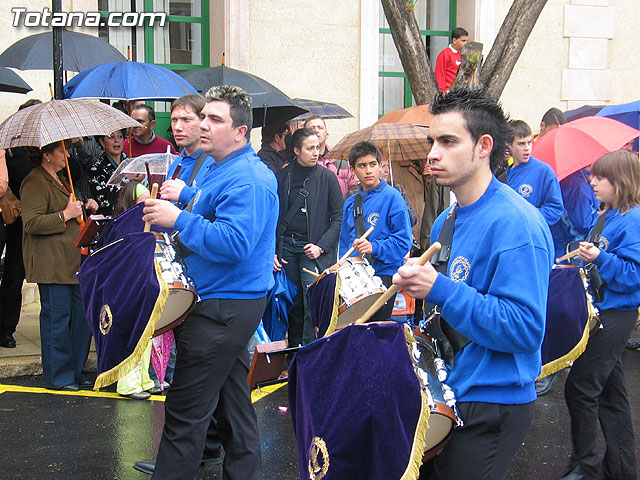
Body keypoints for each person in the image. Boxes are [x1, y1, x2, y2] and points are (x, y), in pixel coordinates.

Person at [393, 86, 553, 479]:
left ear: (483, 146)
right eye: (432, 141)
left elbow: (525, 329)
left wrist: (441, 289)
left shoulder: (517, 223)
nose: (432, 153)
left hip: (492, 401)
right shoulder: (447, 220)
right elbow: (442, 312)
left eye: (448, 141)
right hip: (449, 394)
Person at [139, 85, 276, 480]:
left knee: (184, 413)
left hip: (222, 307)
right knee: (234, 408)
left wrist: (177, 217)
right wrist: (187, 196)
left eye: (215, 119)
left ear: (241, 132)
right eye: (204, 117)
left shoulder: (250, 179)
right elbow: (214, 205)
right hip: (225, 304)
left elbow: (235, 243)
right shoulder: (223, 166)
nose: (203, 125)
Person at [560, 150, 640, 480]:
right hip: (601, 311)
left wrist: (601, 259)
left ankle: (585, 466)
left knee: (580, 388)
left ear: (620, 182)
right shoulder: (607, 215)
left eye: (600, 177)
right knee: (610, 394)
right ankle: (621, 469)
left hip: (616, 314)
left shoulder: (634, 219)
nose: (592, 181)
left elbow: (634, 275)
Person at [21, 142, 98, 390]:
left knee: (80, 319)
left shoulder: (62, 178)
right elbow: (31, 223)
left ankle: (75, 370)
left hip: (72, 260)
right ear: (46, 155)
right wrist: (64, 215)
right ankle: (59, 376)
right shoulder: (35, 181)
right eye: (61, 151)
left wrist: (83, 208)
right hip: (51, 264)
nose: (66, 155)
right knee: (57, 318)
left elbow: (70, 210)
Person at [274, 128, 343, 347]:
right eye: (310, 148)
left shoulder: (327, 178)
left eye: (318, 148)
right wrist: (273, 250)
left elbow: (339, 218)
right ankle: (293, 351)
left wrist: (321, 246)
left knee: (312, 302)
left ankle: (308, 351)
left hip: (312, 249)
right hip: (286, 248)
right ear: (296, 150)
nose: (316, 153)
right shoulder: (283, 177)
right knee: (292, 302)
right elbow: (274, 216)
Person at [339, 141, 412, 320]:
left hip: (383, 275)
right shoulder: (350, 202)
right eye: (362, 166)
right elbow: (344, 242)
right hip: (355, 281)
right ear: (352, 169)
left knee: (377, 332)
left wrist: (374, 247)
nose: (368, 170)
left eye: (373, 164)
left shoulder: (393, 197)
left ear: (380, 166)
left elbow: (403, 242)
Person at [111, 182, 153, 400]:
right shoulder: (121, 225)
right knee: (132, 333)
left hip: (142, 282)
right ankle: (128, 384)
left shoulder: (145, 222)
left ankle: (143, 379)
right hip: (127, 285)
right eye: (143, 200)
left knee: (145, 332)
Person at [506, 120, 564, 225]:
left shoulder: (544, 171)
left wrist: (529, 217)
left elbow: (556, 209)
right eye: (521, 144)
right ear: (509, 145)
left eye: (529, 142)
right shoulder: (504, 175)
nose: (527, 148)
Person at [304, 115, 357, 196]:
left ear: (327, 134)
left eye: (320, 128)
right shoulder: (301, 161)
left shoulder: (341, 161)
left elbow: (353, 189)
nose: (316, 131)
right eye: (311, 128)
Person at [87, 129, 127, 215]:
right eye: (111, 137)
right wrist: (124, 178)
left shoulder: (131, 163)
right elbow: (104, 201)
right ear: (102, 142)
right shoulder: (96, 169)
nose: (117, 141)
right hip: (111, 219)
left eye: (120, 136)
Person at [434, 27, 469, 93]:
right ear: (454, 40)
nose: (466, 43)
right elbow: (440, 74)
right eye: (463, 41)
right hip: (448, 91)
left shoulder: (465, 55)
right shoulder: (445, 54)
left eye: (467, 41)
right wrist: (442, 92)